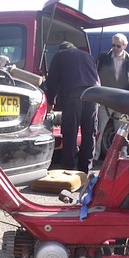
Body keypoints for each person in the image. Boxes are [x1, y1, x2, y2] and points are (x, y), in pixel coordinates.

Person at [45, 41, 99, 174]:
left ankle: (68, 168)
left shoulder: (59, 56)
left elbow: (52, 81)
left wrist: (50, 102)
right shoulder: (87, 56)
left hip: (74, 95)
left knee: (70, 131)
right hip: (94, 94)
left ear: (61, 50)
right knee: (89, 132)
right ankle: (86, 169)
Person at [94, 33, 129, 161]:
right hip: (105, 100)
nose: (115, 48)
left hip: (123, 101)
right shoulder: (103, 58)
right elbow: (96, 77)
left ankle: (122, 157)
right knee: (99, 130)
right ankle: (94, 157)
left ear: (125, 46)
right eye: (113, 45)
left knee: (123, 131)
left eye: (118, 46)